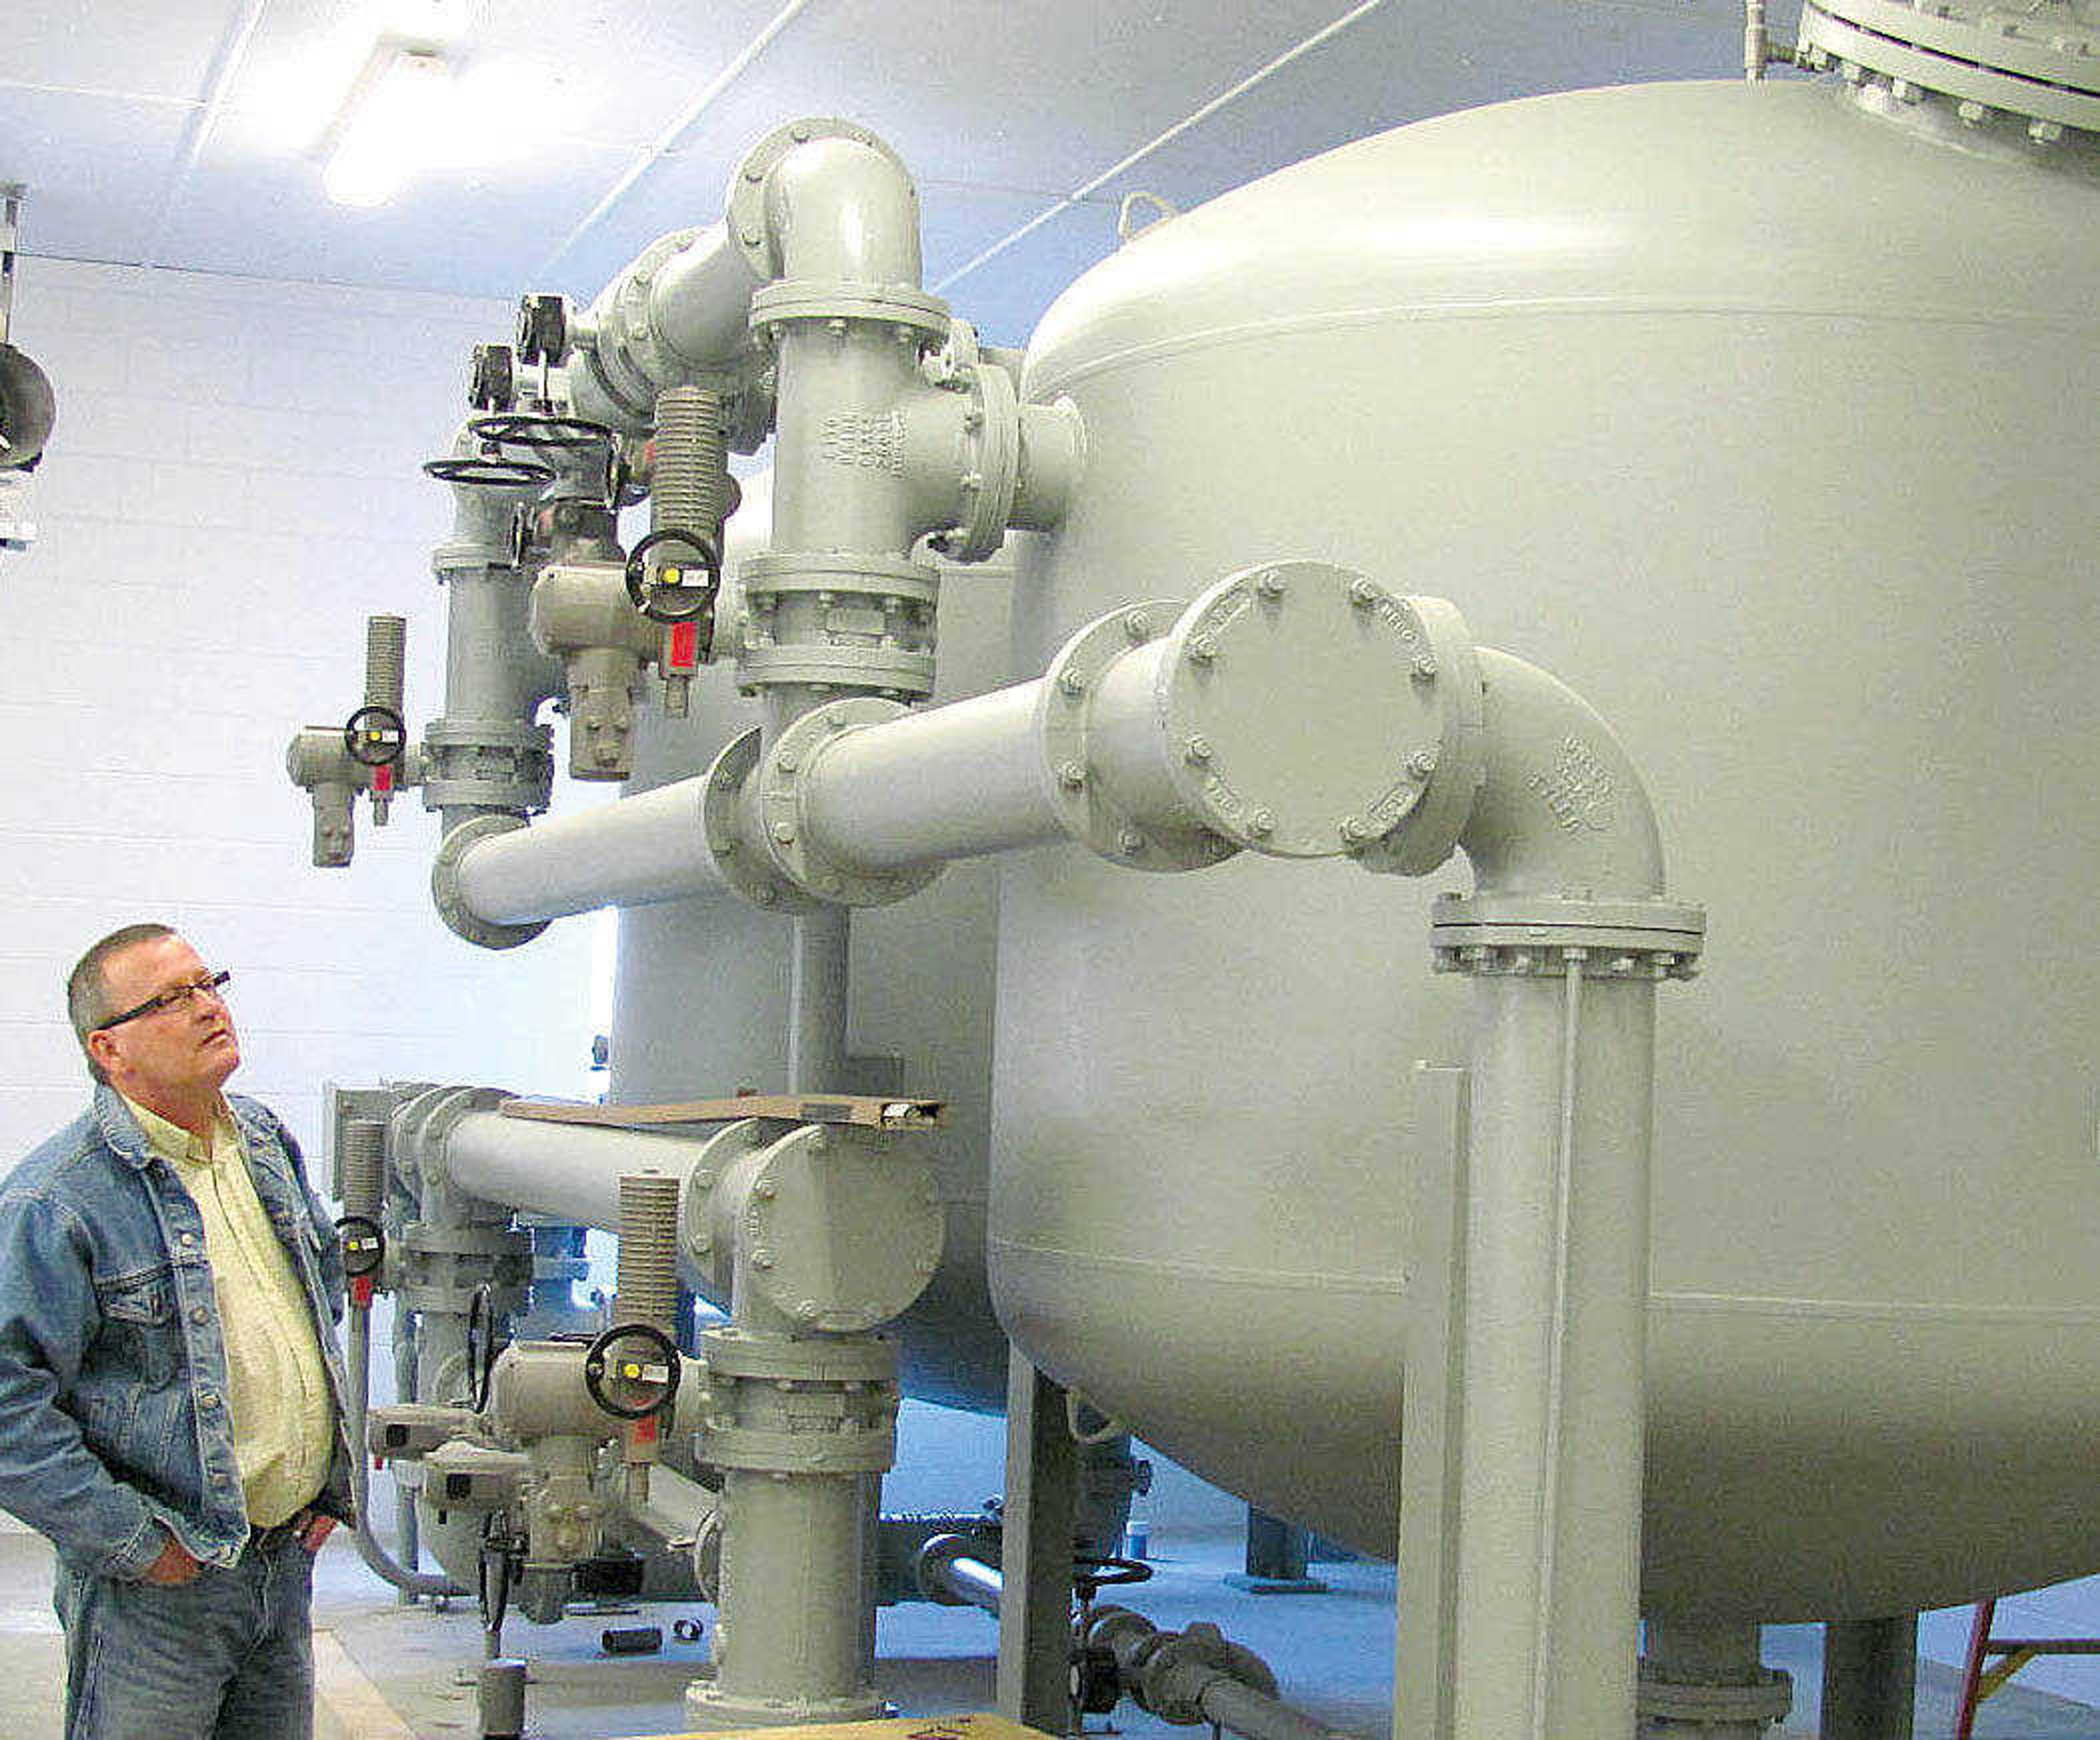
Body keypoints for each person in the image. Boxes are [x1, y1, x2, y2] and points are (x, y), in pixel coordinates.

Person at [0, 923, 354, 1739]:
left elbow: (319, 1290)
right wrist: (134, 1542)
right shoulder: (60, 1199)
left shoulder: (261, 1142)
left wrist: (324, 1477)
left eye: (209, 983)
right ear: (110, 1049)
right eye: (171, 998)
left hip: (281, 1561)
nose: (206, 1007)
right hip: (159, 1591)